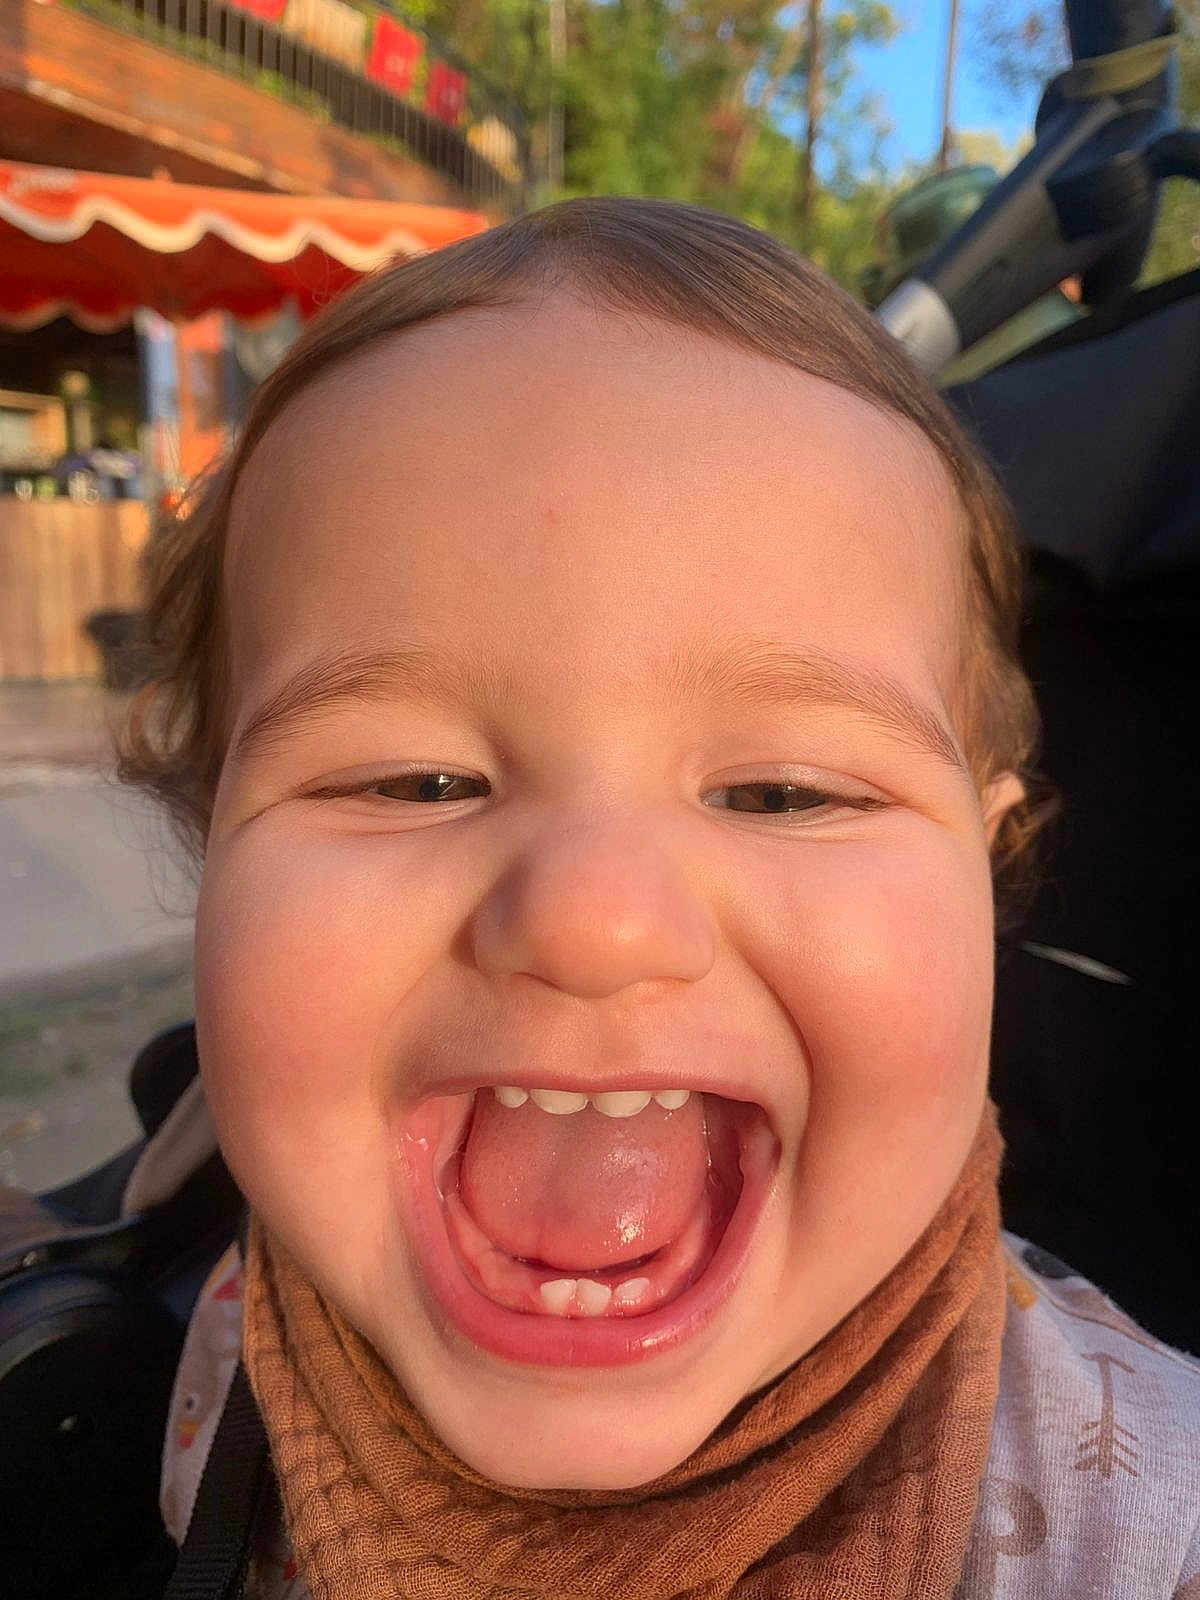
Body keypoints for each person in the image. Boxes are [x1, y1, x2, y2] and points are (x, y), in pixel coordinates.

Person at [117, 196, 1200, 1598]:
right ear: (221, 856)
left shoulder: (1150, 1520)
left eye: (785, 793)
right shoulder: (150, 1353)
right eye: (411, 783)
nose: (593, 920)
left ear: (985, 877)